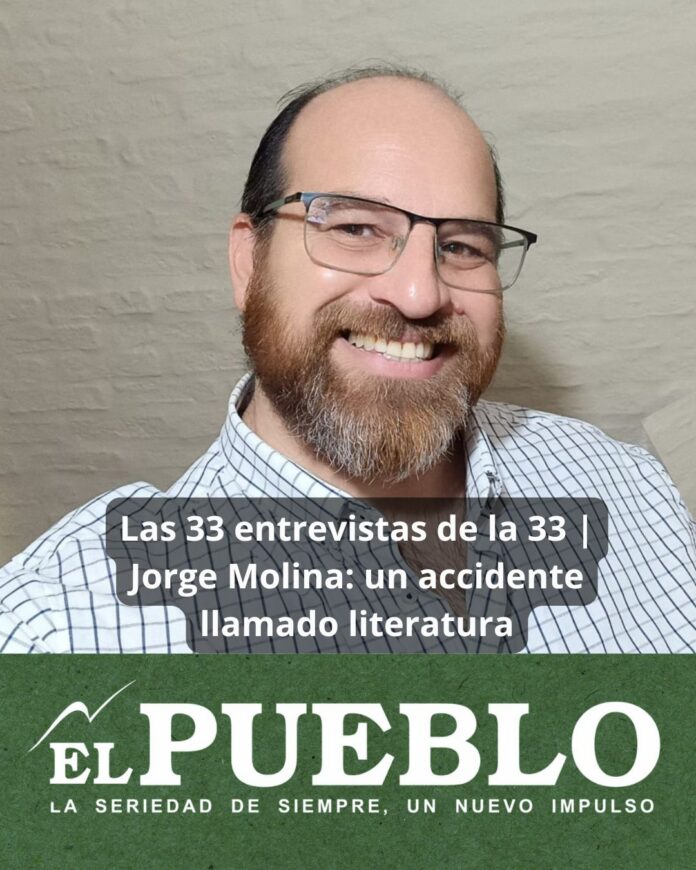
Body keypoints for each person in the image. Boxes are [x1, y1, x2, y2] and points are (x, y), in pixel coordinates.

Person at [1, 66, 694, 654]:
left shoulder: (633, 492)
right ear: (249, 262)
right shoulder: (63, 633)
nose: (419, 294)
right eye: (356, 228)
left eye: (461, 246)